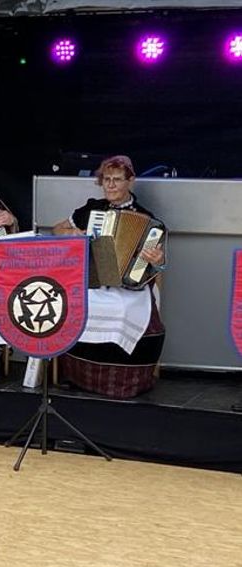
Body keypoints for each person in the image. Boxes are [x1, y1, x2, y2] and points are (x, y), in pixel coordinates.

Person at [52, 155, 166, 398]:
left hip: (128, 286)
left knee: (126, 310)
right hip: (93, 280)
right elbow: (57, 228)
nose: (111, 185)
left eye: (117, 180)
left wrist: (157, 261)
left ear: (130, 182)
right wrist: (74, 232)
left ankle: (123, 382)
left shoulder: (147, 219)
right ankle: (77, 375)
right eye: (106, 179)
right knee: (78, 306)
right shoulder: (92, 208)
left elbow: (156, 266)